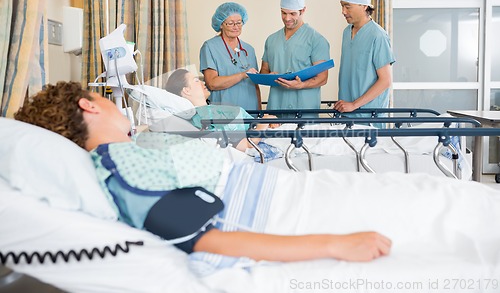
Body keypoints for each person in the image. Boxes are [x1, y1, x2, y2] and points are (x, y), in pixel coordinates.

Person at [14, 81, 391, 264]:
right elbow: (207, 239)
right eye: (103, 98)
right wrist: (333, 244)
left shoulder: (139, 149)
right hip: (289, 208)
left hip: (292, 191)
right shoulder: (120, 167)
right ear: (88, 105)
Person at [165, 68, 278, 153]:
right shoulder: (205, 116)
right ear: (186, 90)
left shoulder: (209, 111)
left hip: (268, 132)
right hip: (268, 141)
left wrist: (264, 122)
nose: (203, 83)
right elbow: (246, 144)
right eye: (196, 81)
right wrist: (264, 122)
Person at [260, 0, 331, 114]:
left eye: (292, 14)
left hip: (304, 110)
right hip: (276, 109)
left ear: (303, 10)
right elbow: (264, 70)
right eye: (283, 13)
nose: (287, 18)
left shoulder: (317, 40)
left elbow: (322, 78)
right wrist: (267, 77)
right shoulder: (271, 40)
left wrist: (301, 85)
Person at [334, 0, 395, 125]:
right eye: (342, 5)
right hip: (346, 114)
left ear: (364, 6)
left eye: (347, 6)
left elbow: (385, 80)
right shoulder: (346, 33)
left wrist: (354, 105)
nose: (343, 11)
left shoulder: (378, 36)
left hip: (368, 117)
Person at [199, 2, 261, 111]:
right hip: (224, 113)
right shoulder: (209, 47)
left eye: (239, 22)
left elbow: (255, 85)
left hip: (251, 111)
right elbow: (212, 83)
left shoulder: (249, 50)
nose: (236, 27)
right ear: (221, 24)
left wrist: (260, 113)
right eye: (231, 23)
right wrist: (242, 75)